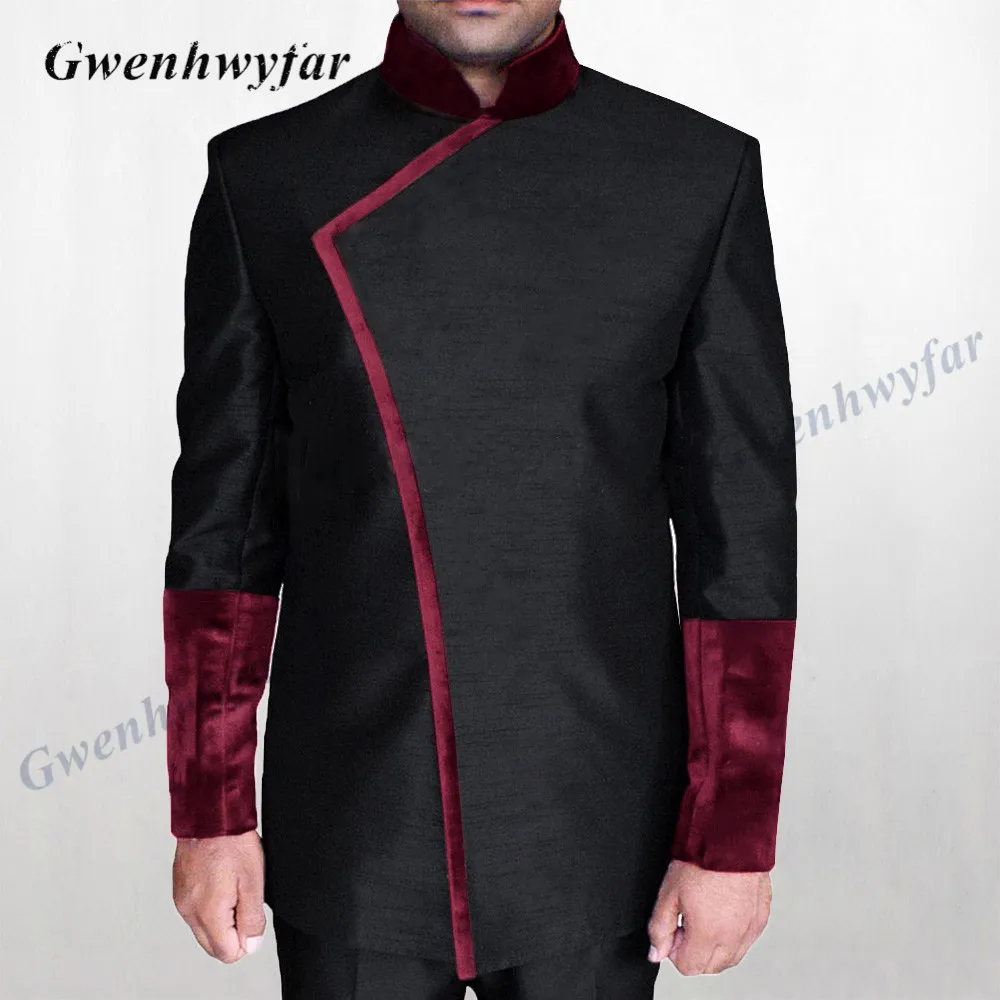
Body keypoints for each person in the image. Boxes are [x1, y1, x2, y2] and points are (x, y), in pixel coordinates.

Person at [163, 2, 798, 997]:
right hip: (353, 814)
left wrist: (731, 835)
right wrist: (210, 811)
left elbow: (742, 534)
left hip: (599, 815)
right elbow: (223, 529)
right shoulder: (268, 174)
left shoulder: (696, 172)